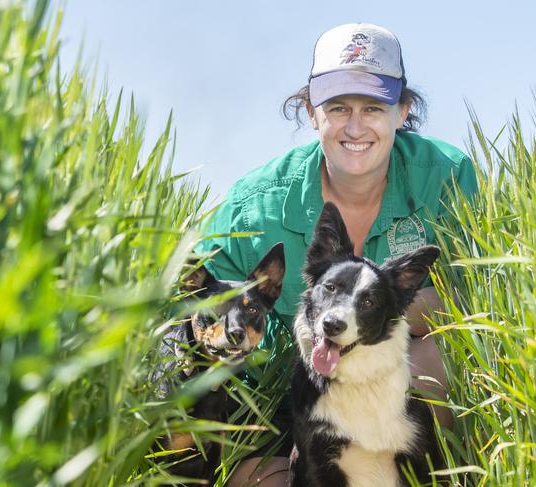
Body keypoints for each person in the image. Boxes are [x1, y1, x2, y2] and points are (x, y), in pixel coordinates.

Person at [198, 22, 478, 487]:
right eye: (337, 107)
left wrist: (365, 321)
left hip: (398, 390)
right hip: (281, 402)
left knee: (435, 354)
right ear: (311, 111)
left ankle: (430, 477)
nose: (354, 126)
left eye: (373, 107)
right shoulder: (254, 205)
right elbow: (194, 309)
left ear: (403, 111)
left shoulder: (448, 177)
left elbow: (480, 302)